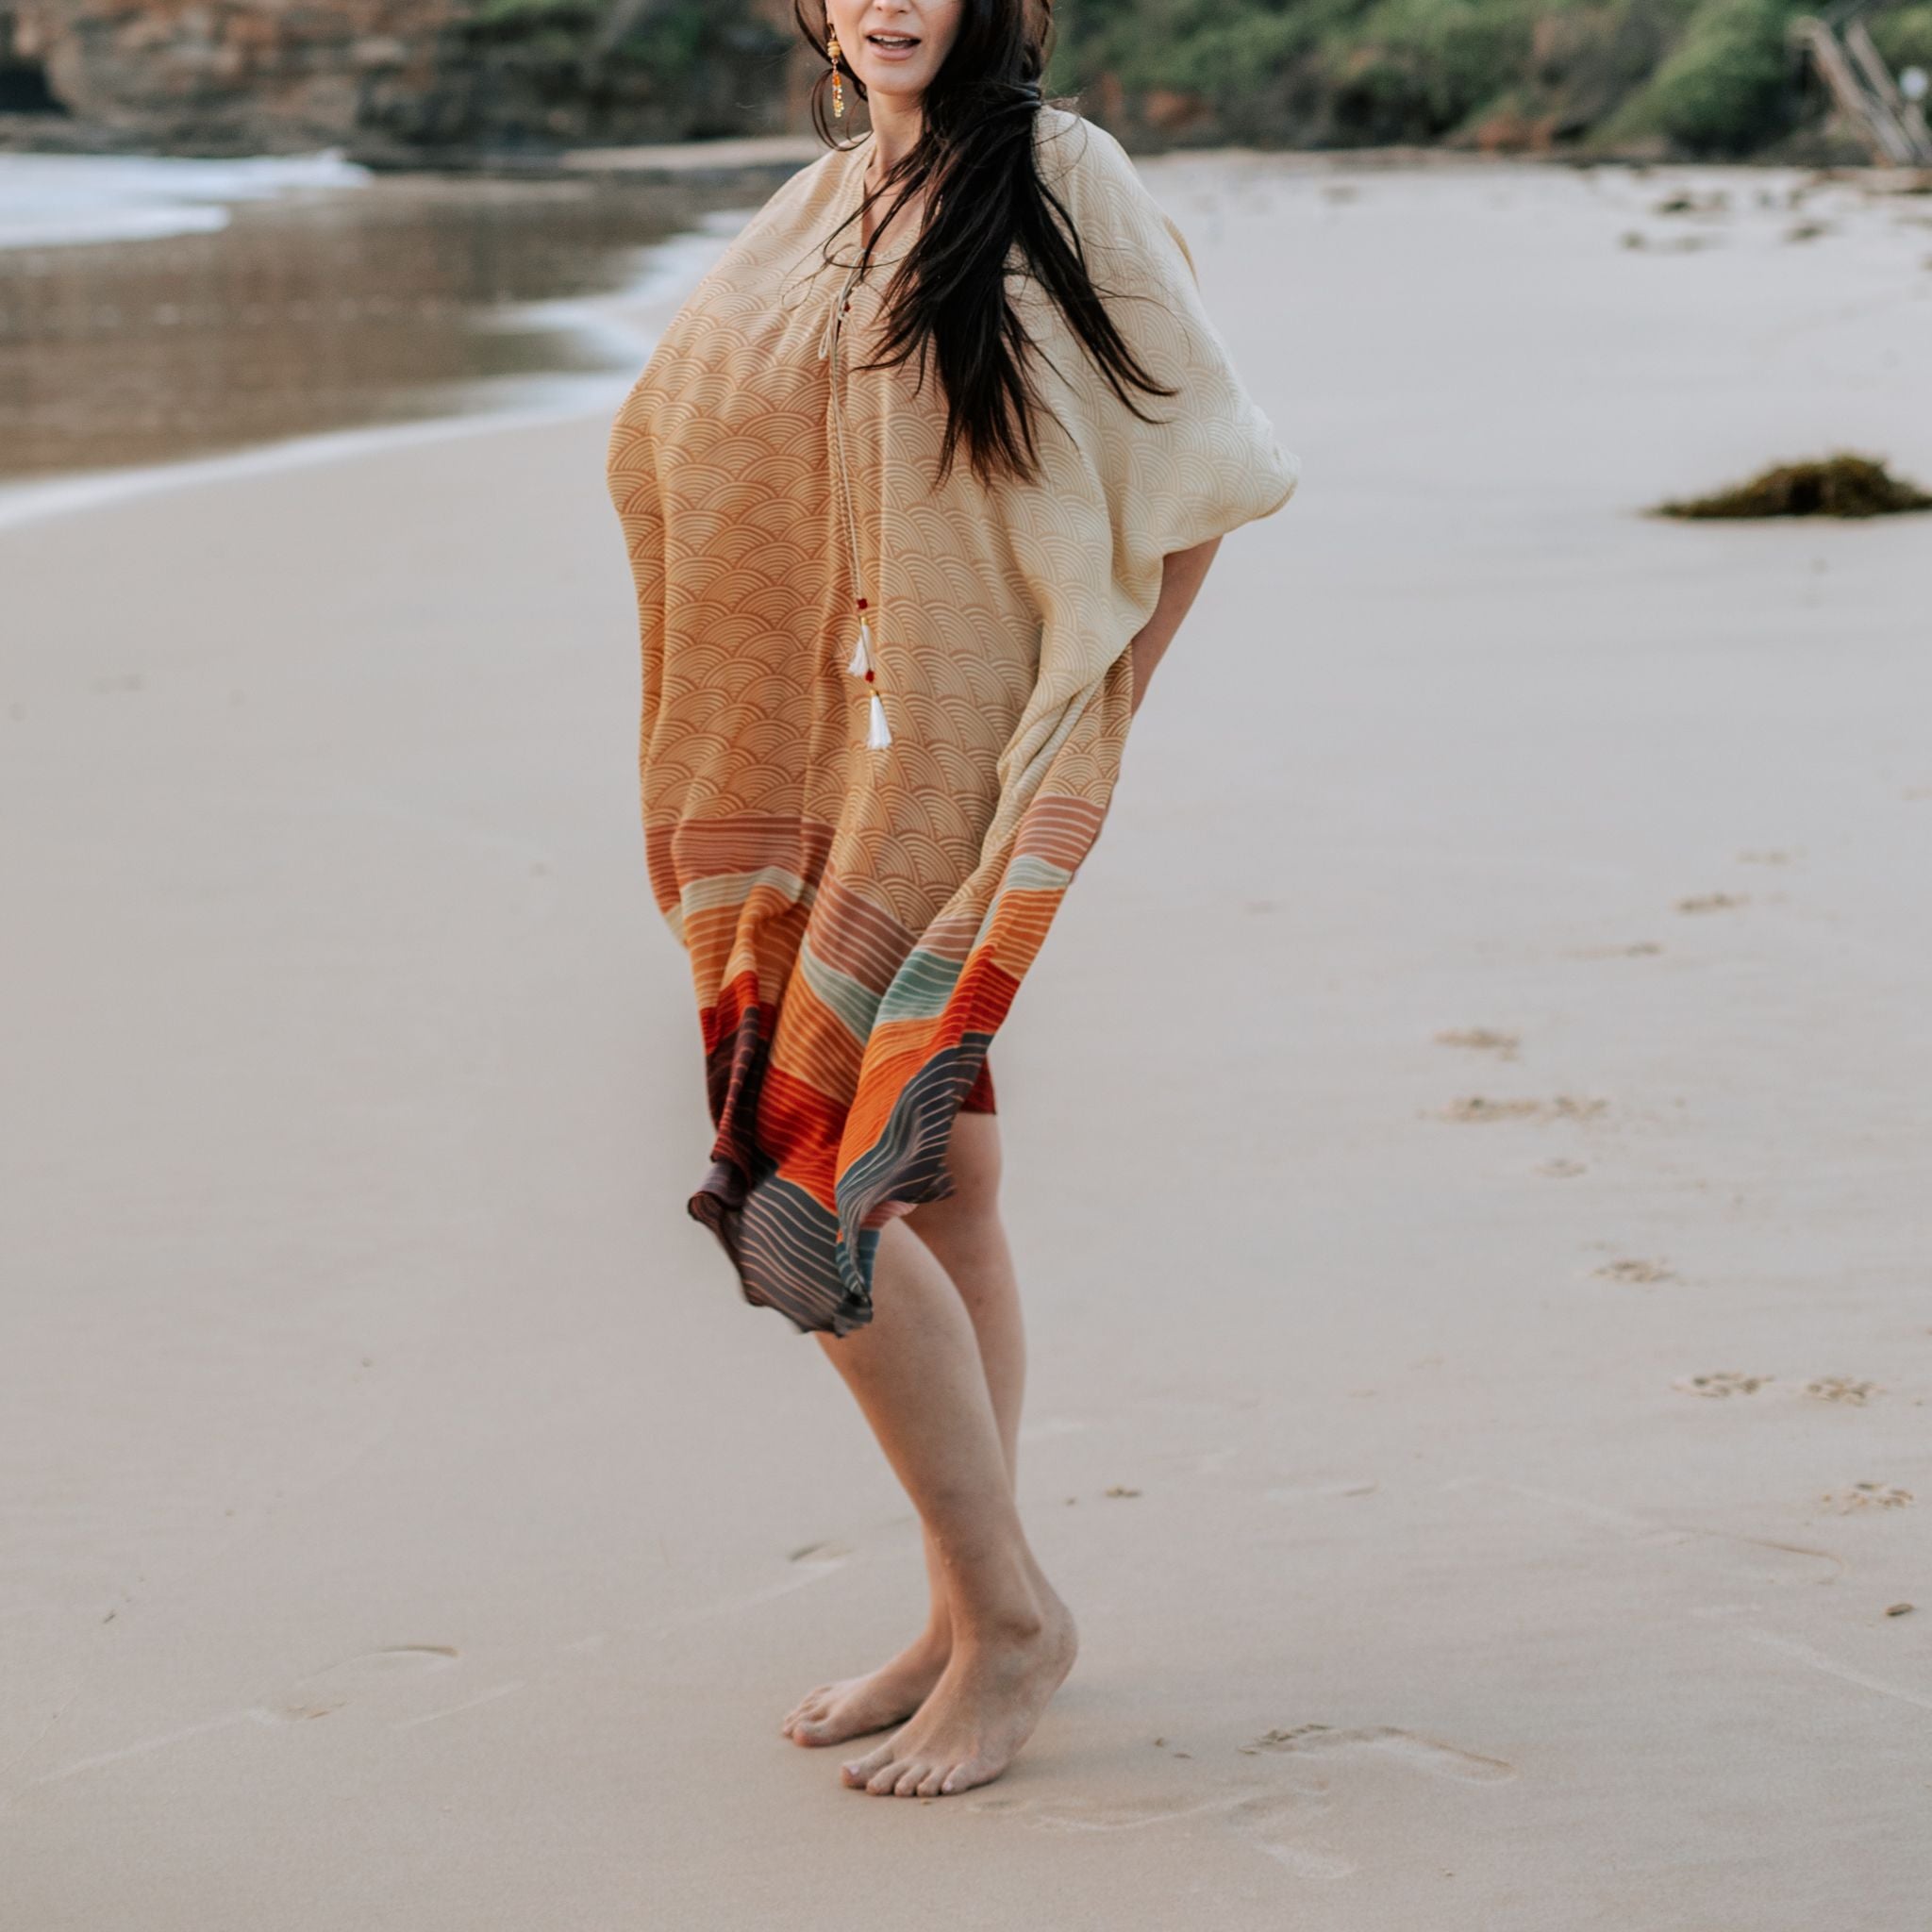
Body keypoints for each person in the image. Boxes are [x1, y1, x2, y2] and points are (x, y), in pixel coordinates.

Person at [604, 0, 1298, 1800]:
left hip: (958, 765)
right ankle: (953, 1606)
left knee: (803, 1200)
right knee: (947, 1178)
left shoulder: (1062, 176)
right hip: (828, 759)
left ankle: (1009, 1621)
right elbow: (688, 434)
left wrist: (1102, 704)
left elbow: (1199, 459)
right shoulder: (818, 200)